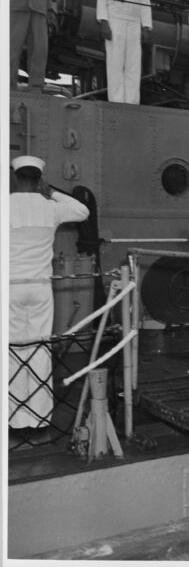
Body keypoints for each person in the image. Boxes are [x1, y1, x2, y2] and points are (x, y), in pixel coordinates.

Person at [8, 156, 90, 444]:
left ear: (16, 178)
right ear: (39, 179)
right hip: (40, 288)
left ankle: (14, 417)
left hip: (10, 287)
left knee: (12, 349)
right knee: (40, 347)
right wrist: (51, 191)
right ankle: (39, 416)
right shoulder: (49, 207)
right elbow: (81, 211)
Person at [97, 0, 152, 104]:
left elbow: (144, 0)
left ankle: (132, 103)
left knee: (133, 66)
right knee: (115, 63)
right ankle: (116, 102)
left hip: (134, 21)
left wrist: (146, 26)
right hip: (115, 18)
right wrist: (104, 21)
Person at [10, 0, 56, 91]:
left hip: (39, 5)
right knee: (10, 48)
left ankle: (36, 87)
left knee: (39, 49)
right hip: (14, 2)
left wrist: (51, 8)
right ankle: (7, 85)